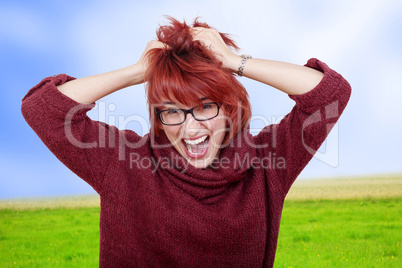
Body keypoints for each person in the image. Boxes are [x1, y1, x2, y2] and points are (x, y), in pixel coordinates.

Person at [21, 17, 351, 267]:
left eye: (205, 106)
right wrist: (139, 71)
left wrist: (234, 62)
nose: (190, 129)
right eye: (171, 111)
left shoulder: (267, 164)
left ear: (230, 108)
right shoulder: (121, 161)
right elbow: (41, 110)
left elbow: (330, 95)